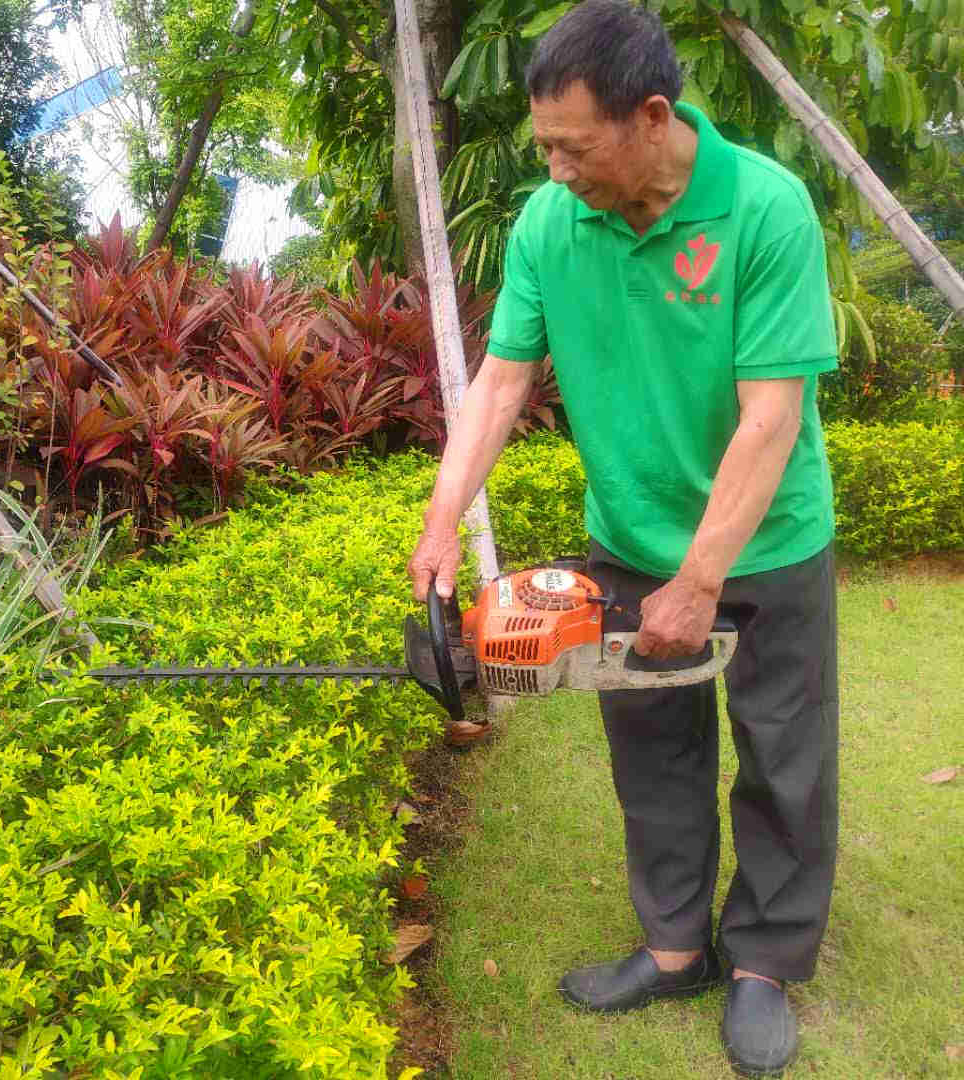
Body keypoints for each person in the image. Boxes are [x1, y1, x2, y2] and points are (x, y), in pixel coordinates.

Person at [406, 1, 840, 1075]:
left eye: (572, 145)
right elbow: (503, 379)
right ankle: (676, 946)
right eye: (542, 144)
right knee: (655, 754)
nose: (554, 169)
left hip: (767, 540)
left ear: (652, 116)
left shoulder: (766, 212)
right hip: (630, 538)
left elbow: (771, 416)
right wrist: (442, 514)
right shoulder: (551, 224)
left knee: (783, 752)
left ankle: (764, 962)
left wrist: (702, 579)